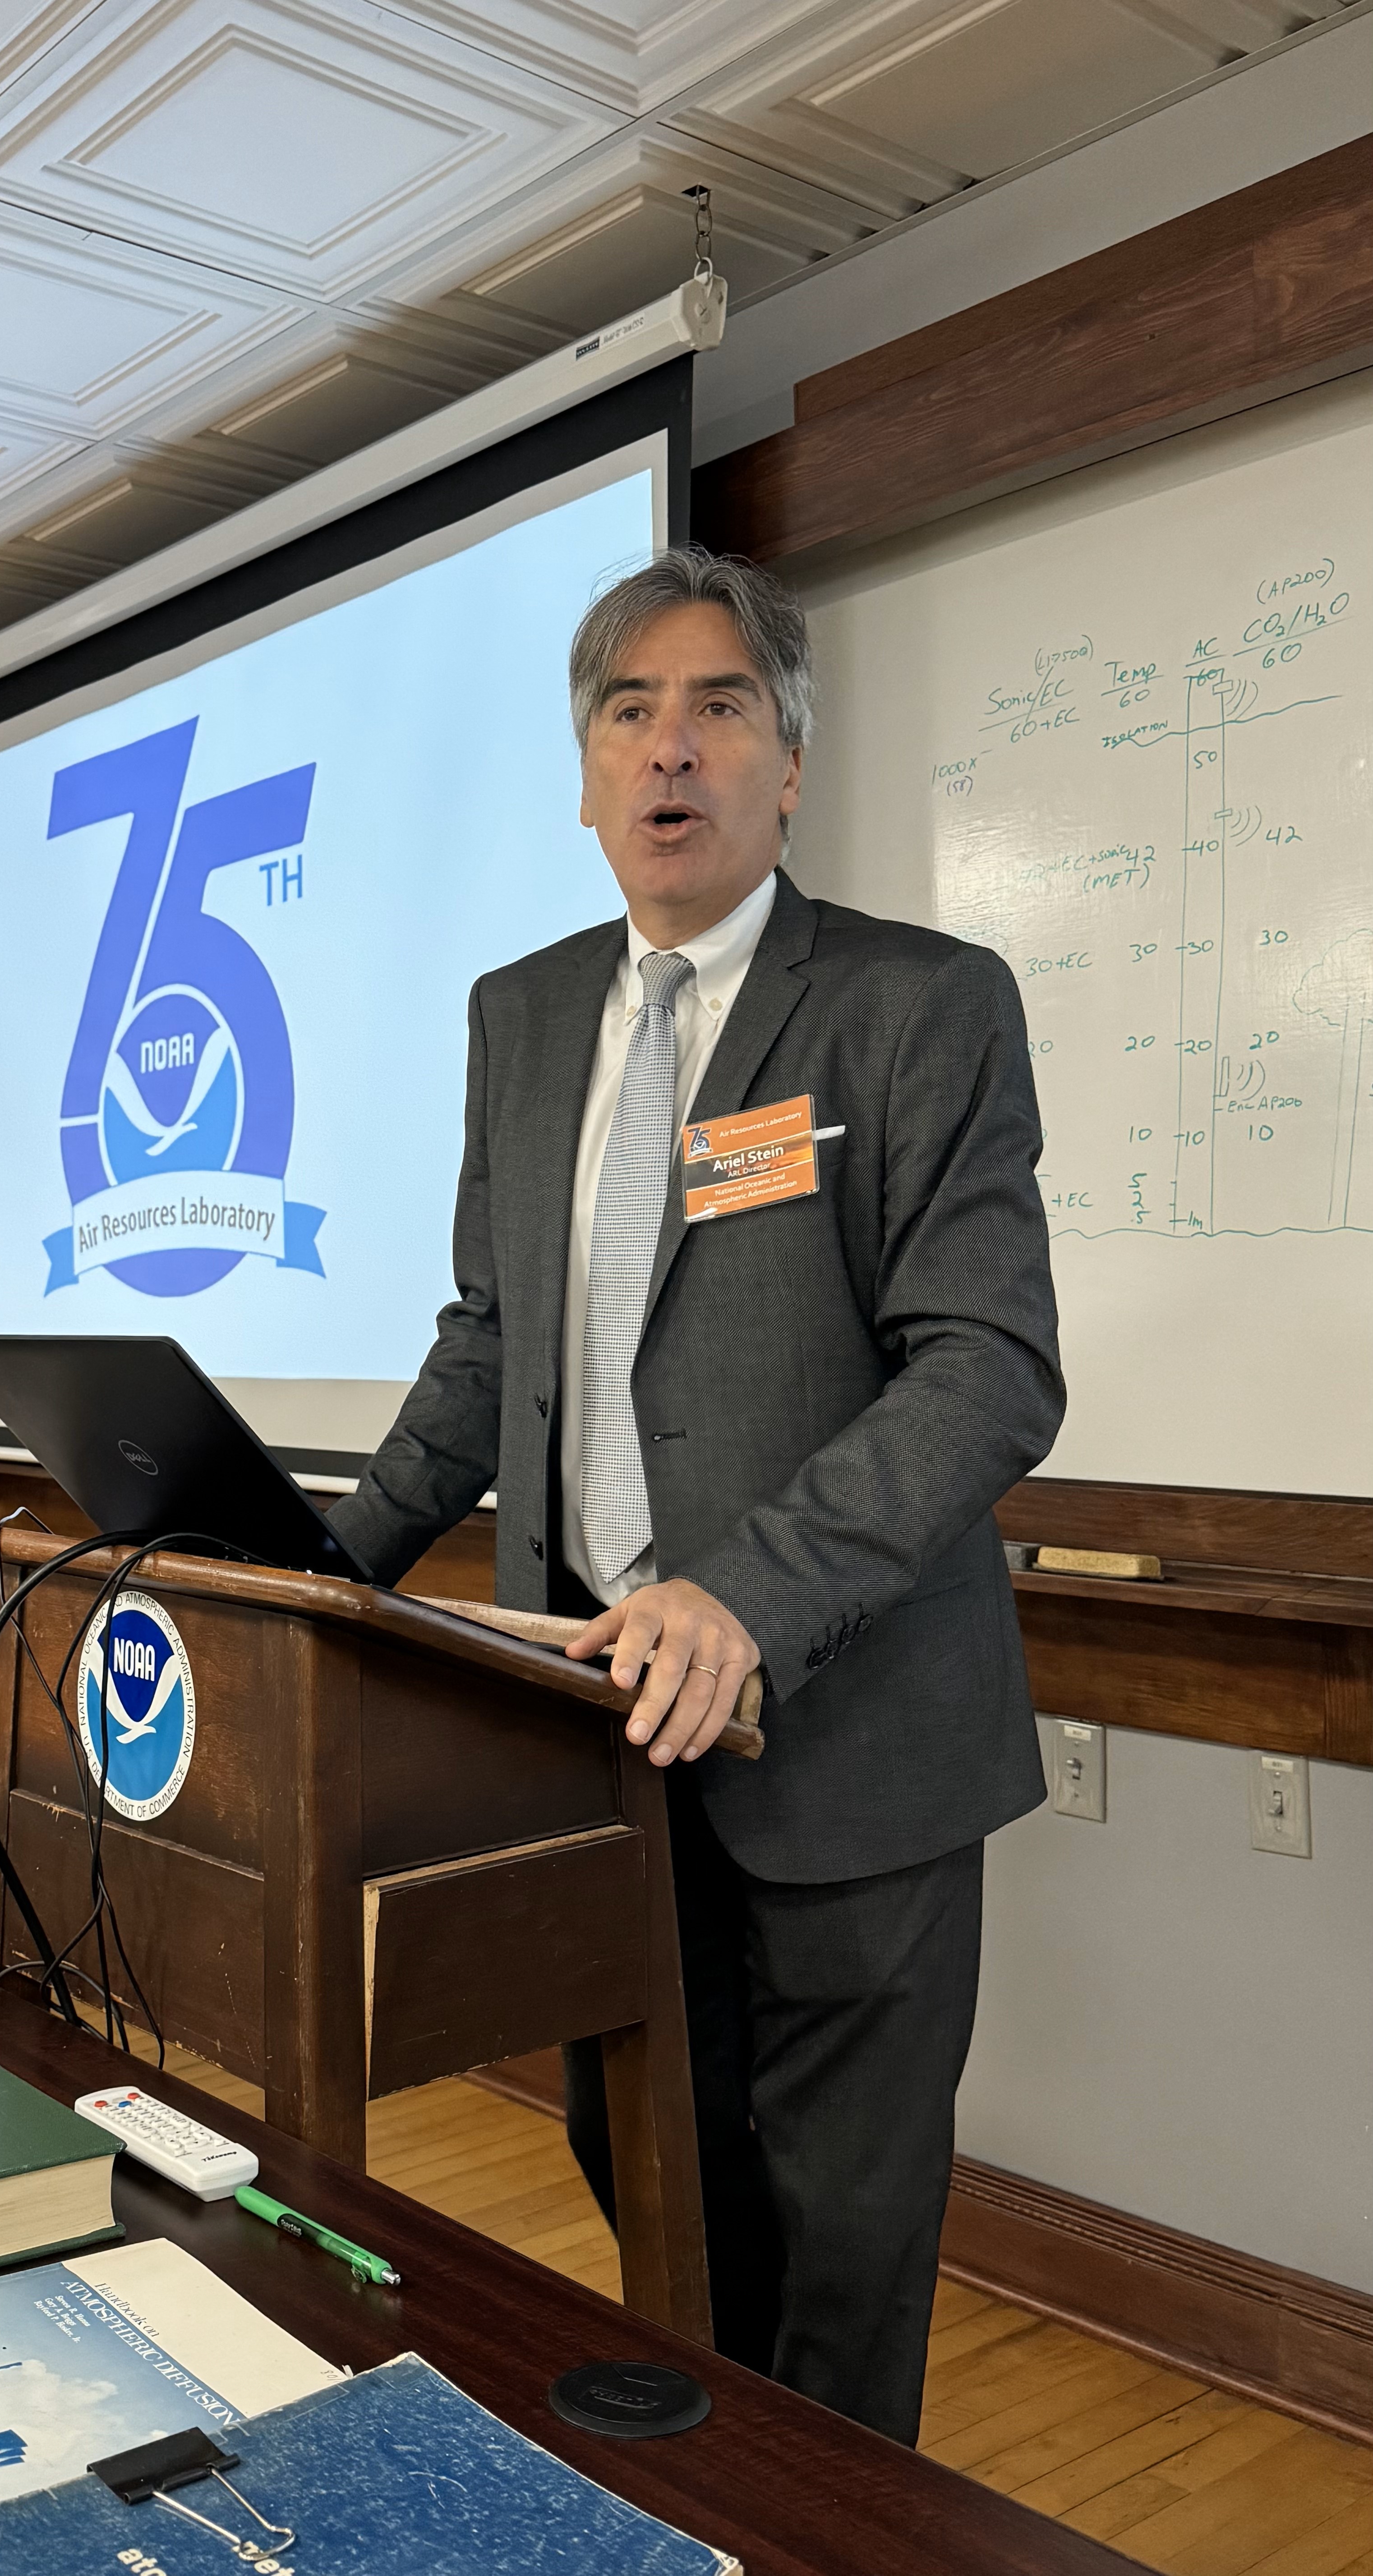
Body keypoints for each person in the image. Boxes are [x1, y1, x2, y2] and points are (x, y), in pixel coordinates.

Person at [330, 547, 1064, 2446]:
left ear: (790, 765)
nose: (672, 749)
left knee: (846, 2249)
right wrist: (308, 1571)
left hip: (858, 1746)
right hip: (606, 1744)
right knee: (654, 2185)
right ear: (584, 777)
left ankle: (828, 2529)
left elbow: (990, 1365)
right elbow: (493, 1348)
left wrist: (746, 1593)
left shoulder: (920, 1006)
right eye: (627, 713)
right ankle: (735, 2504)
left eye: (721, 706)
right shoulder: (520, 1016)